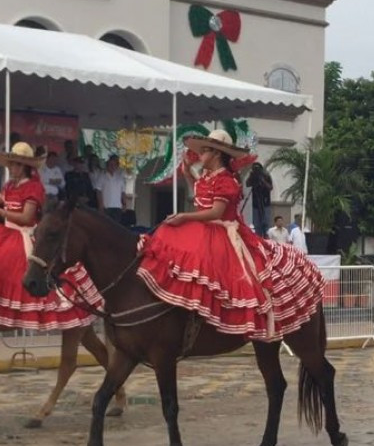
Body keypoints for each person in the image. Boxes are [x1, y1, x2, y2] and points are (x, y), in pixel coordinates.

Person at [135, 130, 323, 341]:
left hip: (223, 231)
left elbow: (215, 212)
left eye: (204, 151)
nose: (200, 155)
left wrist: (185, 217)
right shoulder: (208, 177)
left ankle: (210, 320)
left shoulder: (226, 180)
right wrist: (188, 173)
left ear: (216, 154)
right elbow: (201, 197)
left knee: (216, 270)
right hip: (206, 228)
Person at [0, 142, 101, 329]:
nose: (11, 168)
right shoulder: (11, 185)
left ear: (25, 167)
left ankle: (48, 298)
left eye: (15, 164)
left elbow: (27, 219)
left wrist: (2, 214)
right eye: (10, 164)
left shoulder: (33, 187)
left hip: (26, 233)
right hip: (7, 231)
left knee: (25, 262)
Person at [93, 154, 126, 224]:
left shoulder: (120, 178)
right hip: (106, 207)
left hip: (117, 207)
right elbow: (98, 191)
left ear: (117, 166)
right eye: (110, 165)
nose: (112, 166)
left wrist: (124, 204)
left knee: (116, 227)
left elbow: (123, 192)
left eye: (114, 165)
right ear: (107, 166)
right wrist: (101, 205)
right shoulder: (102, 176)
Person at [246, 162, 274, 238]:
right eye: (255, 169)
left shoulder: (266, 176)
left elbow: (270, 187)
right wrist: (251, 176)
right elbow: (247, 184)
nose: (256, 170)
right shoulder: (252, 176)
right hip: (255, 204)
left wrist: (263, 180)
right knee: (257, 225)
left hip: (265, 203)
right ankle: (258, 239)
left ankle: (266, 239)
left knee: (266, 223)